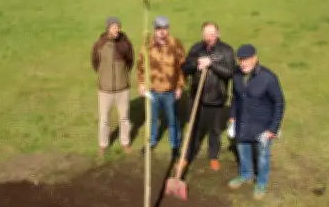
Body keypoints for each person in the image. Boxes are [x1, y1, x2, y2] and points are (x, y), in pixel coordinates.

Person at [227, 44, 285, 200]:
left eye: (246, 60)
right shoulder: (237, 75)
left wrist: (273, 129)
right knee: (242, 150)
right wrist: (232, 118)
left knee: (262, 156)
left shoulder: (268, 77)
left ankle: (261, 182)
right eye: (240, 60)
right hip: (242, 124)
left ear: (255, 58)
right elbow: (235, 97)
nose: (243, 63)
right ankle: (245, 174)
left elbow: (279, 103)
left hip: (262, 126)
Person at [179, 21, 236, 172]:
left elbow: (230, 72)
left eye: (212, 34)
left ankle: (213, 156)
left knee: (214, 130)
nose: (209, 37)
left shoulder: (227, 51)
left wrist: (211, 64)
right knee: (192, 128)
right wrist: (196, 65)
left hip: (216, 98)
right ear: (202, 35)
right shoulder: (196, 48)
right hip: (196, 97)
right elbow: (184, 68)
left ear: (218, 34)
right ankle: (187, 156)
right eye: (206, 34)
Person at [137, 16, 186, 159]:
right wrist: (141, 83)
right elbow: (140, 66)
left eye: (164, 29)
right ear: (155, 30)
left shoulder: (175, 44)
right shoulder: (147, 45)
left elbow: (182, 67)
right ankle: (151, 142)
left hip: (170, 91)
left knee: (172, 119)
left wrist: (179, 87)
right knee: (152, 119)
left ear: (168, 29)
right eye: (159, 29)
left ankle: (175, 145)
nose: (162, 32)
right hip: (152, 91)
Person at [91, 16, 135, 156]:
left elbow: (130, 61)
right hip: (105, 90)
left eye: (118, 26)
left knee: (124, 118)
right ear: (108, 28)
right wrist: (104, 76)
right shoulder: (100, 44)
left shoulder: (125, 43)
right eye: (113, 26)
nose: (116, 29)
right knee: (104, 119)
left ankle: (125, 142)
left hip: (123, 89)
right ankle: (103, 145)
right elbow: (95, 63)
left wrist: (123, 75)